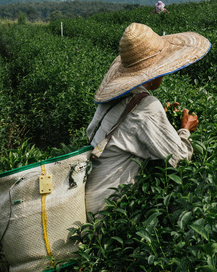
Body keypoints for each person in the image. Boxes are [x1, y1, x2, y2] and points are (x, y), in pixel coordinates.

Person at [85, 23, 210, 216]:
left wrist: (161, 119)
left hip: (87, 199)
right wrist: (185, 129)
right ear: (154, 71)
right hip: (106, 214)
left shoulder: (111, 101)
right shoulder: (146, 107)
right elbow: (180, 159)